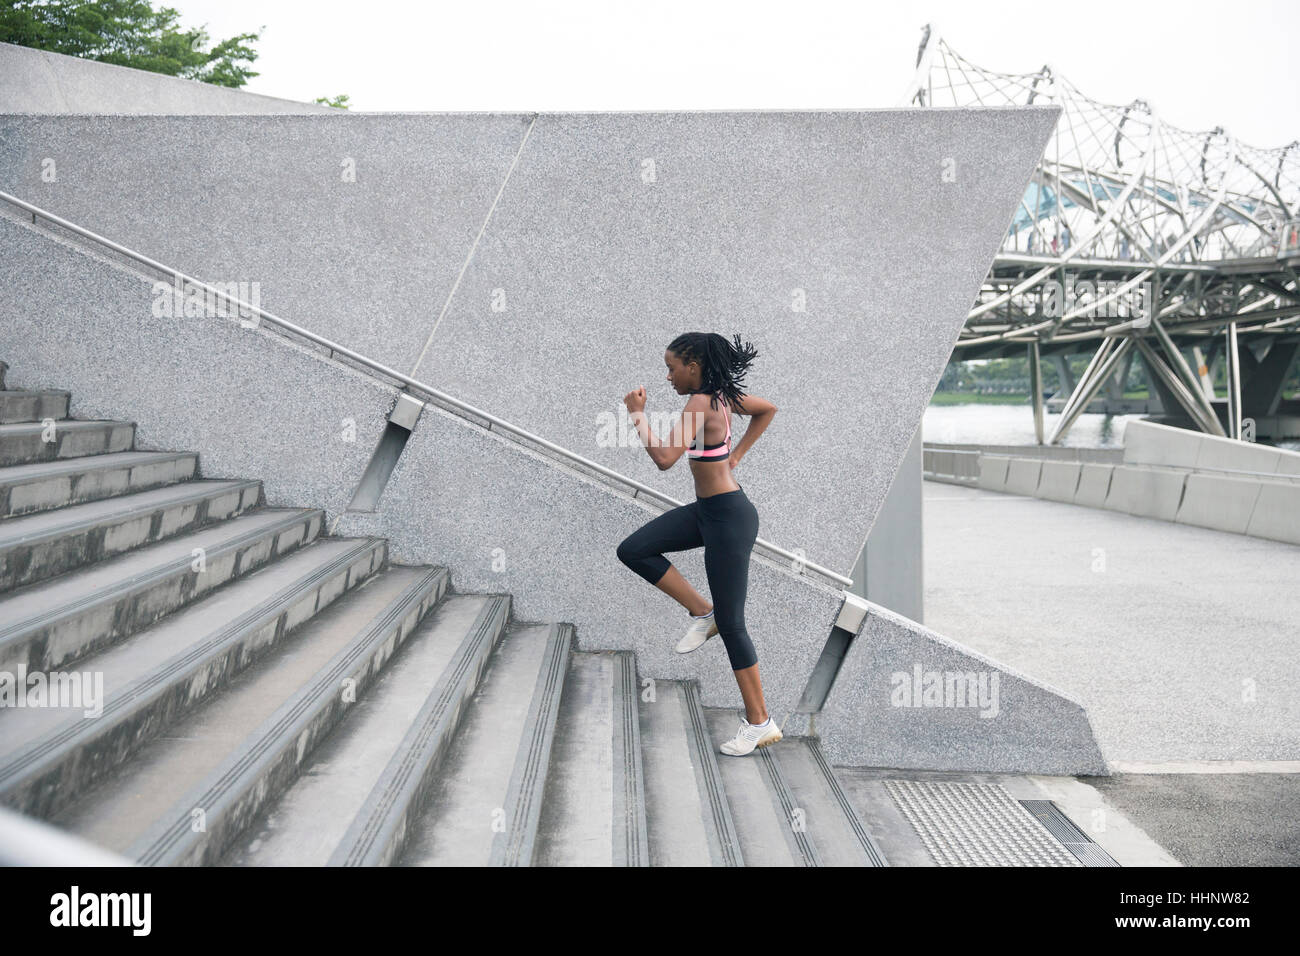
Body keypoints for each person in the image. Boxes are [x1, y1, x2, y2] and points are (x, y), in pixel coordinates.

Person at [617, 331, 779, 756]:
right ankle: (702, 610)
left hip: (727, 519)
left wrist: (637, 414)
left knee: (734, 625)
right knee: (634, 550)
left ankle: (760, 722)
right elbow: (767, 410)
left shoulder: (700, 403)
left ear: (694, 367)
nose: (668, 376)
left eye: (672, 368)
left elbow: (664, 459)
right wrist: (736, 456)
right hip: (709, 513)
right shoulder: (722, 396)